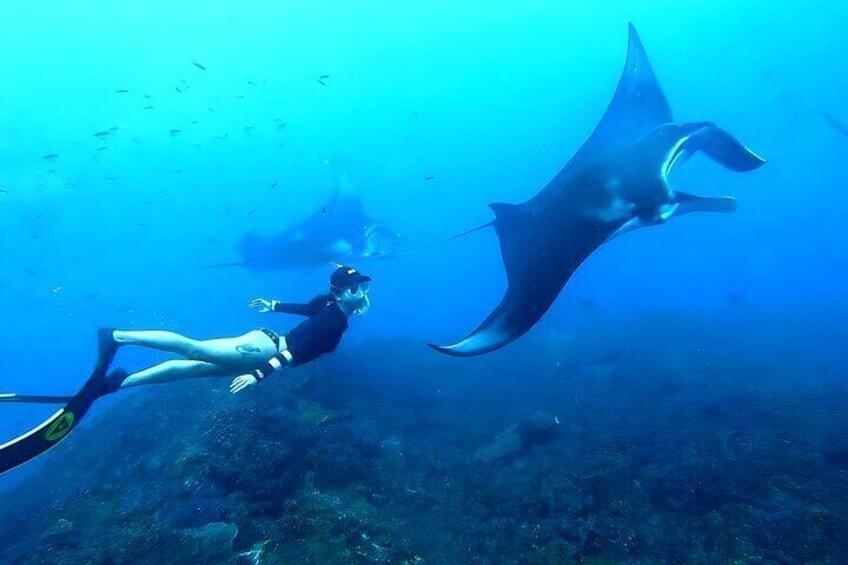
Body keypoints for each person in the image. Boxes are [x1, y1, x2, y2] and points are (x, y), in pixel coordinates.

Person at [103, 265, 371, 394]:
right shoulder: (334, 320)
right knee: (194, 349)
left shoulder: (328, 304)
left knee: (193, 369)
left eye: (364, 286)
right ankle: (117, 336)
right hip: (263, 352)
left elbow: (306, 308)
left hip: (265, 346)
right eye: (356, 288)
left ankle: (120, 382)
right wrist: (258, 375)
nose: (362, 293)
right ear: (341, 294)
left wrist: (274, 305)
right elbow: (295, 352)